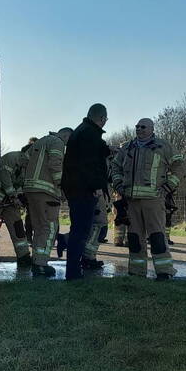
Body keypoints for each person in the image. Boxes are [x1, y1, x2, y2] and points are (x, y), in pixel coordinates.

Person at [109, 118, 185, 280]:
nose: (139, 129)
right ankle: (136, 272)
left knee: (157, 237)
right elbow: (115, 166)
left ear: (151, 129)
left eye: (143, 127)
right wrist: (118, 184)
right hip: (132, 201)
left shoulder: (163, 146)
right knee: (135, 238)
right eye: (137, 126)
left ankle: (164, 272)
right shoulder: (128, 147)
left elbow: (179, 167)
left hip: (154, 201)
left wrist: (167, 187)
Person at [61, 104, 110, 280]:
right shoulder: (90, 134)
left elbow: (94, 152)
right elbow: (90, 164)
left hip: (74, 188)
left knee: (79, 230)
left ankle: (73, 268)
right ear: (103, 119)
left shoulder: (82, 131)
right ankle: (73, 273)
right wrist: (96, 186)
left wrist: (109, 150)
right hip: (83, 190)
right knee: (81, 231)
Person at [23, 128, 73, 276]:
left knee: (38, 227)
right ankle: (41, 264)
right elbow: (55, 165)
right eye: (69, 141)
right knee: (49, 227)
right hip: (47, 192)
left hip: (31, 190)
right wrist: (62, 187)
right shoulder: (57, 142)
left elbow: (24, 160)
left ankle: (37, 260)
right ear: (66, 135)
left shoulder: (40, 141)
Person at [80, 188, 112, 269]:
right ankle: (88, 258)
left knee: (98, 229)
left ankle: (89, 257)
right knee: (98, 228)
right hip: (95, 192)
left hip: (97, 193)